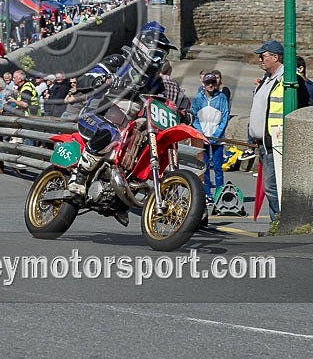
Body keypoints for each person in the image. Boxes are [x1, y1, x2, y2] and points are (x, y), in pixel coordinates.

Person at [67, 22, 177, 226]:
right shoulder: (120, 61)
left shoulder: (154, 81)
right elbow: (86, 78)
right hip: (95, 116)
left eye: (162, 56)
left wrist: (181, 114)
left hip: (124, 127)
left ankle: (119, 196)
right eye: (157, 53)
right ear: (144, 47)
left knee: (141, 146)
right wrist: (104, 79)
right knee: (109, 133)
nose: (159, 59)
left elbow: (163, 103)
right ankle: (79, 177)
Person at [248, 39, 309, 222]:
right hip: (265, 143)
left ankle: (280, 224)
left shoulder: (289, 79)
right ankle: (278, 222)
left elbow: (304, 105)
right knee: (270, 187)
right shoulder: (267, 80)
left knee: (274, 187)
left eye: (262, 56)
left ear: (275, 57)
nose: (259, 60)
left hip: (278, 143)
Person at [191, 73, 230, 202]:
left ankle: (219, 193)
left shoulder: (222, 98)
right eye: (208, 83)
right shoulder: (198, 98)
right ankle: (207, 193)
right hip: (203, 138)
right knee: (205, 167)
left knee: (218, 168)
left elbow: (224, 118)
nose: (211, 85)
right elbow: (195, 117)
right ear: (204, 84)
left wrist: (216, 135)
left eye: (213, 82)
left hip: (217, 139)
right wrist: (201, 134)